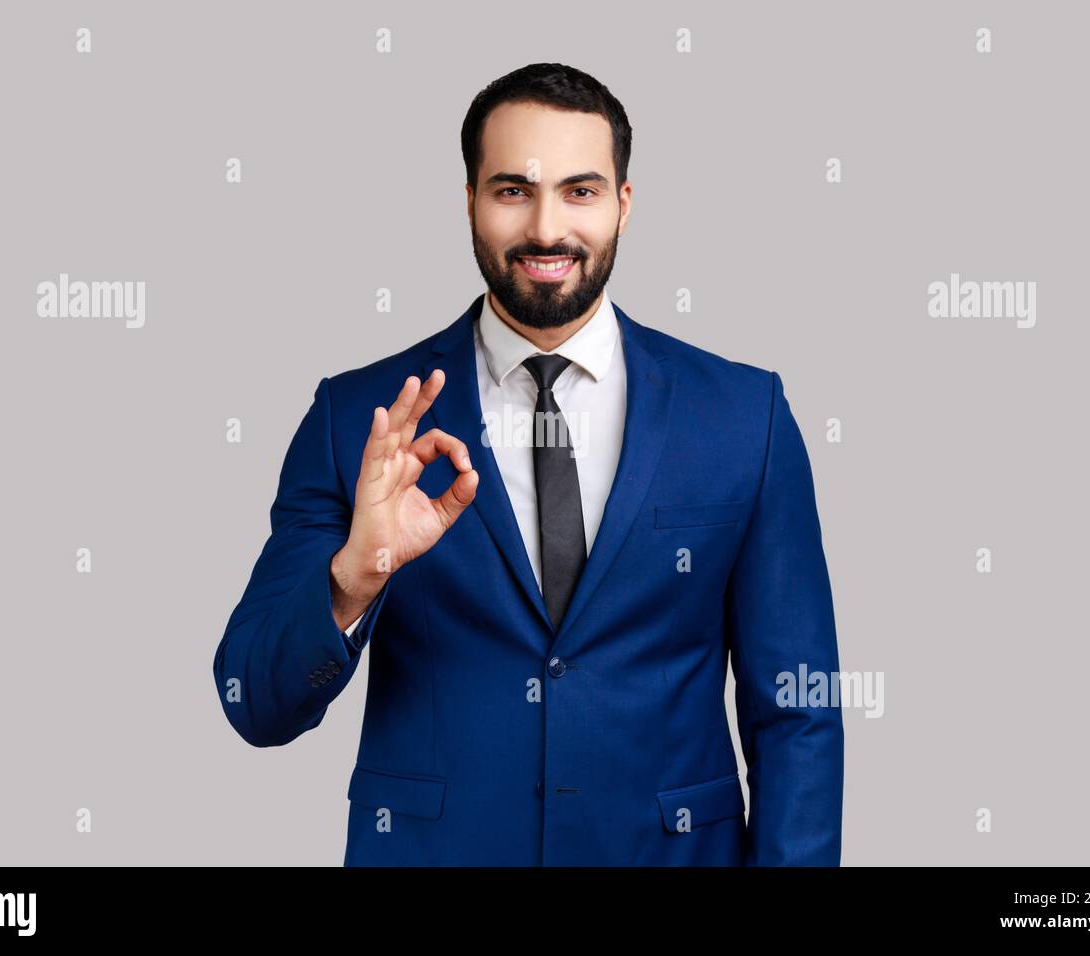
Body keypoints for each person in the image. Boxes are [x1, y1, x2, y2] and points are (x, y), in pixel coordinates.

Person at [213, 62, 843, 866]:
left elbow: (798, 713)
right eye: (513, 190)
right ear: (470, 200)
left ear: (624, 202)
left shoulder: (743, 417)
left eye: (579, 191)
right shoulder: (358, 419)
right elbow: (253, 704)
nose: (547, 229)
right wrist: (355, 575)